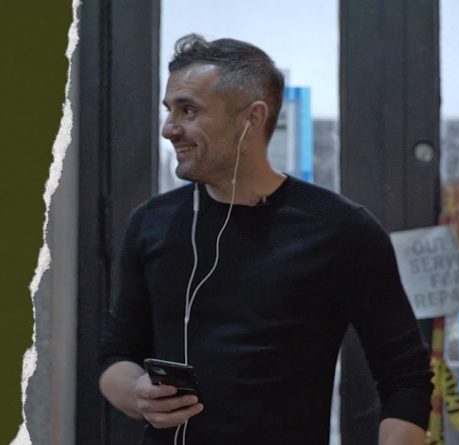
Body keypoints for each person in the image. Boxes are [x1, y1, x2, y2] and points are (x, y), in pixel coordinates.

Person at [98, 34, 432, 444]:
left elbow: (406, 378)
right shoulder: (151, 224)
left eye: (189, 110)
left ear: (251, 118)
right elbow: (115, 356)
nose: (169, 129)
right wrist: (138, 393)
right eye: (169, 111)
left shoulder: (341, 230)